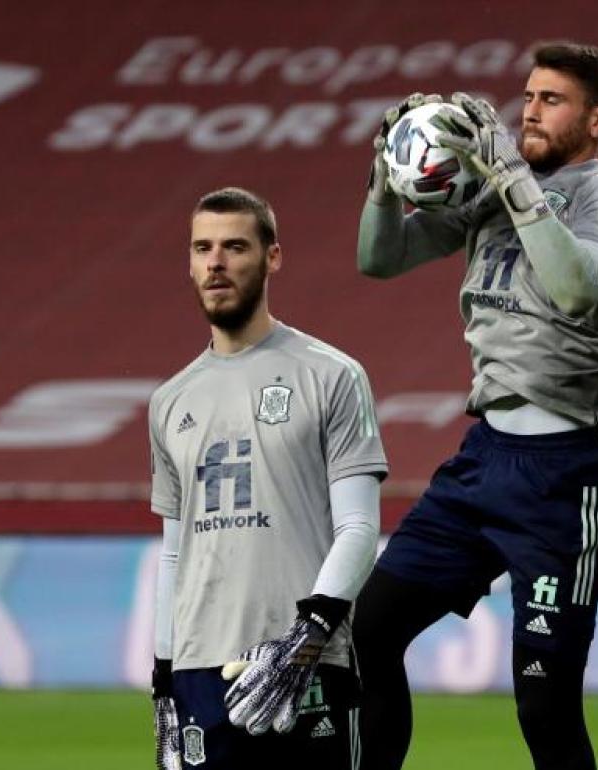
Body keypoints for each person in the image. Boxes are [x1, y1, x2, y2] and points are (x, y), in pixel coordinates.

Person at [353, 42, 598, 770]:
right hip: (484, 459)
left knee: (544, 703)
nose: (531, 110)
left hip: (564, 474)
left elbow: (577, 287)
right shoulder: (492, 192)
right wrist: (386, 176)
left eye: (552, 100)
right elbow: (378, 258)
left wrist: (512, 175)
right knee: (365, 635)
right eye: (528, 96)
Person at [148, 187, 387, 769]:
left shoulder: (331, 375)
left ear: (272, 257)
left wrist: (305, 637)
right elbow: (175, 554)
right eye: (202, 248)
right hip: (201, 671)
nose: (216, 263)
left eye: (234, 246)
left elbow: (358, 528)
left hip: (306, 661)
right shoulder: (168, 400)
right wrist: (162, 677)